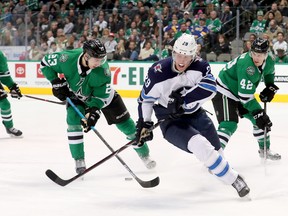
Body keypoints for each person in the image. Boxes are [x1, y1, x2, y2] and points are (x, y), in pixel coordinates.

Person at [135, 33, 250, 198]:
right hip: (171, 122)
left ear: (193, 56)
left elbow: (211, 88)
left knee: (217, 152)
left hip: (196, 115)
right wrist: (145, 123)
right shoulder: (158, 72)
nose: (182, 60)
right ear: (173, 53)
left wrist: (183, 101)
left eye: (187, 56)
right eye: (179, 55)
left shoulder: (201, 66)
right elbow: (145, 100)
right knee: (200, 144)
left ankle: (221, 171)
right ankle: (234, 179)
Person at [40, 39, 156, 174]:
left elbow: (100, 97)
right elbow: (45, 63)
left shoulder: (103, 71)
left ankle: (145, 155)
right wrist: (55, 81)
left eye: (102, 59)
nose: (99, 63)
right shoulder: (66, 59)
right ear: (86, 56)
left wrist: (93, 113)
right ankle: (79, 160)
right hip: (78, 96)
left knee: (128, 127)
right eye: (96, 60)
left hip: (104, 98)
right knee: (72, 120)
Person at [212, 37, 281, 160]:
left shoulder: (269, 61)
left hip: (239, 92)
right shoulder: (247, 66)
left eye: (260, 55)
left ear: (266, 54)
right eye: (254, 53)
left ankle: (264, 150)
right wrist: (258, 112)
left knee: (259, 121)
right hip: (225, 91)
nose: (256, 58)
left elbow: (269, 73)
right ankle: (213, 158)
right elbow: (245, 97)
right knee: (229, 124)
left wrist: (270, 86)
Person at [0, 50, 22, 136]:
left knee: (5, 104)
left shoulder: (0, 56)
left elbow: (4, 75)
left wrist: (12, 87)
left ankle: (9, 127)